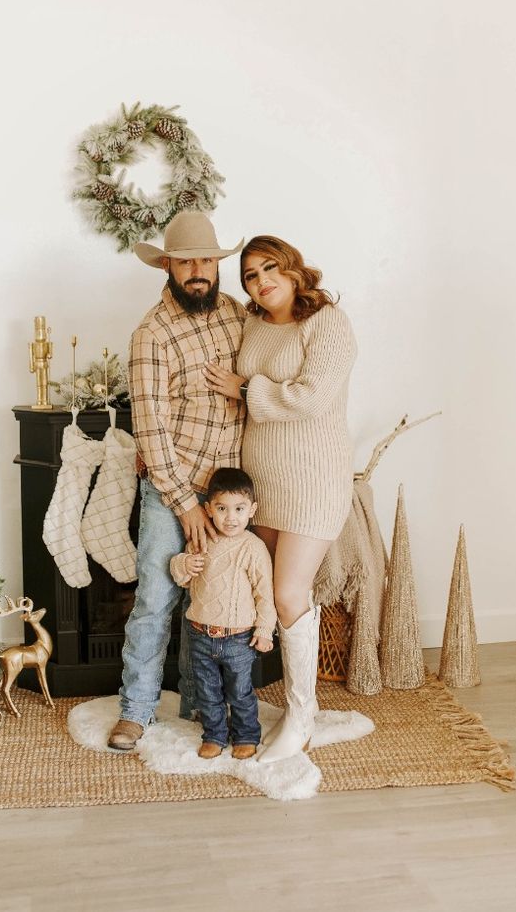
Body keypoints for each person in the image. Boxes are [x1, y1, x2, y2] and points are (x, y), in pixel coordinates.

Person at [204, 235, 357, 763]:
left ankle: (301, 718)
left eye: (271, 268)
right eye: (250, 274)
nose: (262, 280)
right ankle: (274, 706)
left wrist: (246, 390)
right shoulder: (251, 325)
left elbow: (313, 397)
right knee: (268, 593)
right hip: (260, 481)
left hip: (314, 478)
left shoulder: (326, 321)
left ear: (294, 271)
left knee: (290, 594)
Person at [107, 211, 246, 751]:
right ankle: (136, 711)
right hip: (173, 490)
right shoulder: (152, 334)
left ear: (217, 265)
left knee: (214, 602)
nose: (198, 271)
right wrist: (186, 503)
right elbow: (151, 429)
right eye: (186, 261)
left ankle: (199, 705)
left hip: (230, 496)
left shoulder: (237, 316)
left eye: (207, 260)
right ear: (166, 266)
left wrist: (245, 387)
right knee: (157, 600)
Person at [169, 467, 276, 760]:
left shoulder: (253, 548)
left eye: (239, 509)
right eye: (222, 508)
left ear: (252, 510)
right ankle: (214, 735)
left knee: (240, 692)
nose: (231, 517)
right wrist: (183, 564)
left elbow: (265, 593)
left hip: (238, 639)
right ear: (209, 510)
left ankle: (245, 735)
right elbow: (183, 577)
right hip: (200, 634)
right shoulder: (201, 540)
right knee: (208, 691)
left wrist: (265, 631)